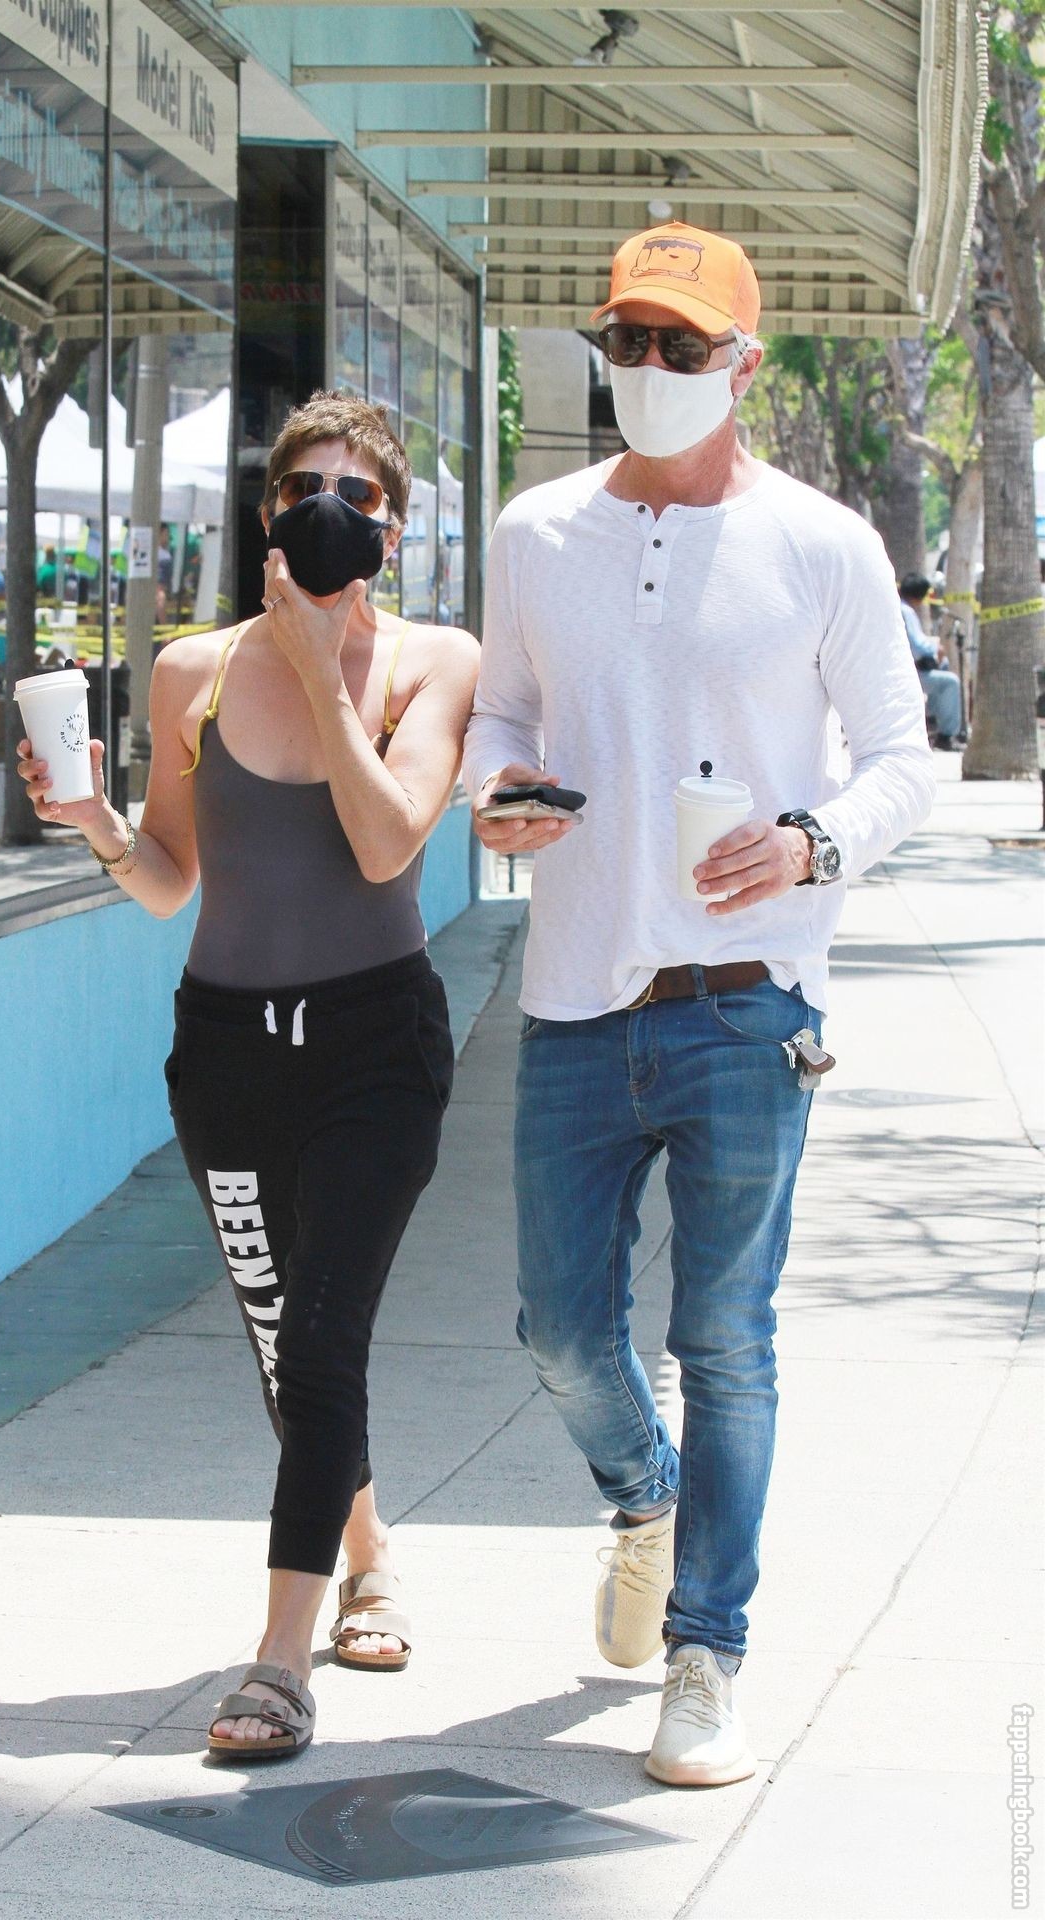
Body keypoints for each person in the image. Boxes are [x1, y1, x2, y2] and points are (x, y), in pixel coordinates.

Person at [465, 220, 935, 1790]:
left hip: (751, 1006)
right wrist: (497, 789)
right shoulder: (537, 532)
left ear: (743, 364)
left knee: (726, 1340)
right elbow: (503, 711)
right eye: (627, 340)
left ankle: (707, 1653)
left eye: (680, 345)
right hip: (577, 997)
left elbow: (901, 756)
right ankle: (645, 1500)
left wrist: (813, 843)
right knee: (556, 1331)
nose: (648, 368)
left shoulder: (825, 544)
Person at [18, 392, 479, 1763]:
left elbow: (388, 844)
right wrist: (97, 822)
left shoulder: (430, 662)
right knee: (287, 1344)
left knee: (324, 1338)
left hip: (373, 1049)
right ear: (266, 513)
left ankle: (280, 1658)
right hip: (225, 1055)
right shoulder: (191, 673)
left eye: (358, 494)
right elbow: (171, 880)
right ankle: (367, 1550)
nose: (327, 509)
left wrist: (326, 668)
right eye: (301, 489)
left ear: (392, 528)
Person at [899, 572, 962, 749]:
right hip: (911, 672)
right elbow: (917, 646)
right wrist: (936, 648)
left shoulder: (903, 608)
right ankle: (945, 735)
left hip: (911, 667)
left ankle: (932, 718)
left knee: (943, 666)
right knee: (951, 682)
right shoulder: (906, 611)